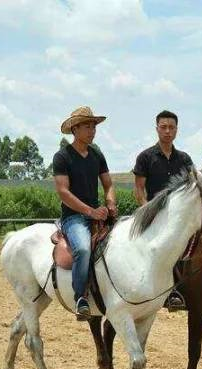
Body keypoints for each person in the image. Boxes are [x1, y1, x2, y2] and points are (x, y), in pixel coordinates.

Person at [53, 106, 117, 319]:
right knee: (82, 249)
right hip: (74, 217)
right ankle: (80, 297)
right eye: (88, 126)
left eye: (94, 126)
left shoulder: (97, 154)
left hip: (98, 213)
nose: (92, 130)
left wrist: (110, 203)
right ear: (75, 129)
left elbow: (108, 184)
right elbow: (63, 192)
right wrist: (91, 211)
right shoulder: (62, 157)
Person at [132, 110, 193, 310]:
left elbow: (193, 186)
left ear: (177, 130)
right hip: (154, 215)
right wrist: (147, 211)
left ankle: (188, 290)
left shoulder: (184, 159)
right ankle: (161, 291)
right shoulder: (145, 157)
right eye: (163, 127)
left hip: (180, 218)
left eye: (171, 127)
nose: (167, 131)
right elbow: (139, 189)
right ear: (157, 129)